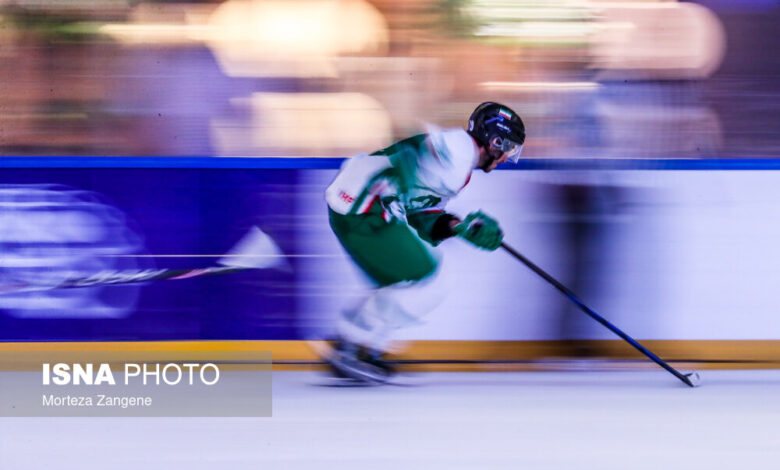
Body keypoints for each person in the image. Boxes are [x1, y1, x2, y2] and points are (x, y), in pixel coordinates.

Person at [321, 102, 526, 383]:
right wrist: (402, 180)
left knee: (406, 283)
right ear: (494, 140)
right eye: (509, 148)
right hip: (364, 208)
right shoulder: (458, 147)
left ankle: (364, 348)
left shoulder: (461, 166)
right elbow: (404, 134)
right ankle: (349, 346)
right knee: (432, 279)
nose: (506, 157)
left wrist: (462, 228)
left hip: (358, 207)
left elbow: (424, 216)